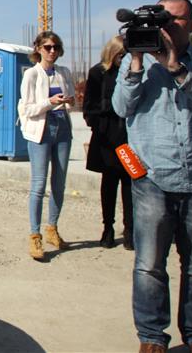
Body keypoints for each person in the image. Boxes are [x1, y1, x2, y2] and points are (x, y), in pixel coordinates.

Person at [112, 0, 192, 353]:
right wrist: (138, 60)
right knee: (149, 265)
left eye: (174, 20)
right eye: (162, 21)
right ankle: (152, 336)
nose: (167, 27)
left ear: (190, 23)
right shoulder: (136, 63)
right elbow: (121, 107)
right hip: (153, 177)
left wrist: (176, 67)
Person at [18, 31, 76, 260]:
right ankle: (35, 235)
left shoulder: (64, 73)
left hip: (62, 127)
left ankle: (52, 227)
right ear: (38, 49)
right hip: (40, 130)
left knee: (59, 183)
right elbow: (27, 109)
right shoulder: (32, 74)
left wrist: (68, 102)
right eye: (48, 47)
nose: (52, 51)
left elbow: (72, 100)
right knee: (39, 185)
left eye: (56, 47)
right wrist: (49, 103)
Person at [83, 36, 133, 250]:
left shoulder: (134, 73)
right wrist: (99, 124)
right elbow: (89, 107)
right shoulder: (98, 73)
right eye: (122, 55)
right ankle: (108, 228)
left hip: (130, 138)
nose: (125, 59)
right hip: (107, 138)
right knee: (109, 185)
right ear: (113, 53)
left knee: (131, 187)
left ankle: (130, 230)